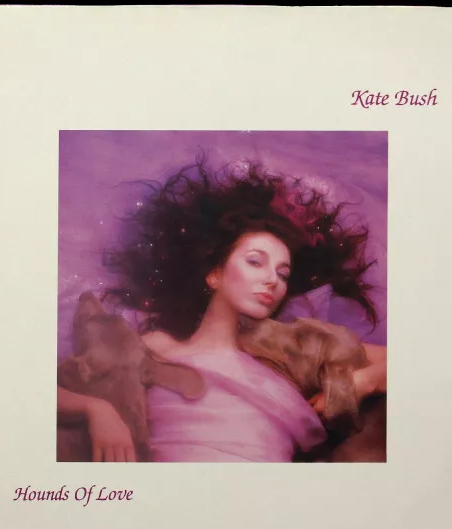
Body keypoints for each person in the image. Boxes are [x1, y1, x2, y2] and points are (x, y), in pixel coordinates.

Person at [57, 156, 387, 462]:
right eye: (255, 262)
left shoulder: (294, 350)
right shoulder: (155, 344)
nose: (272, 280)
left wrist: (363, 383)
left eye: (283, 274)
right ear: (214, 274)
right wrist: (96, 409)